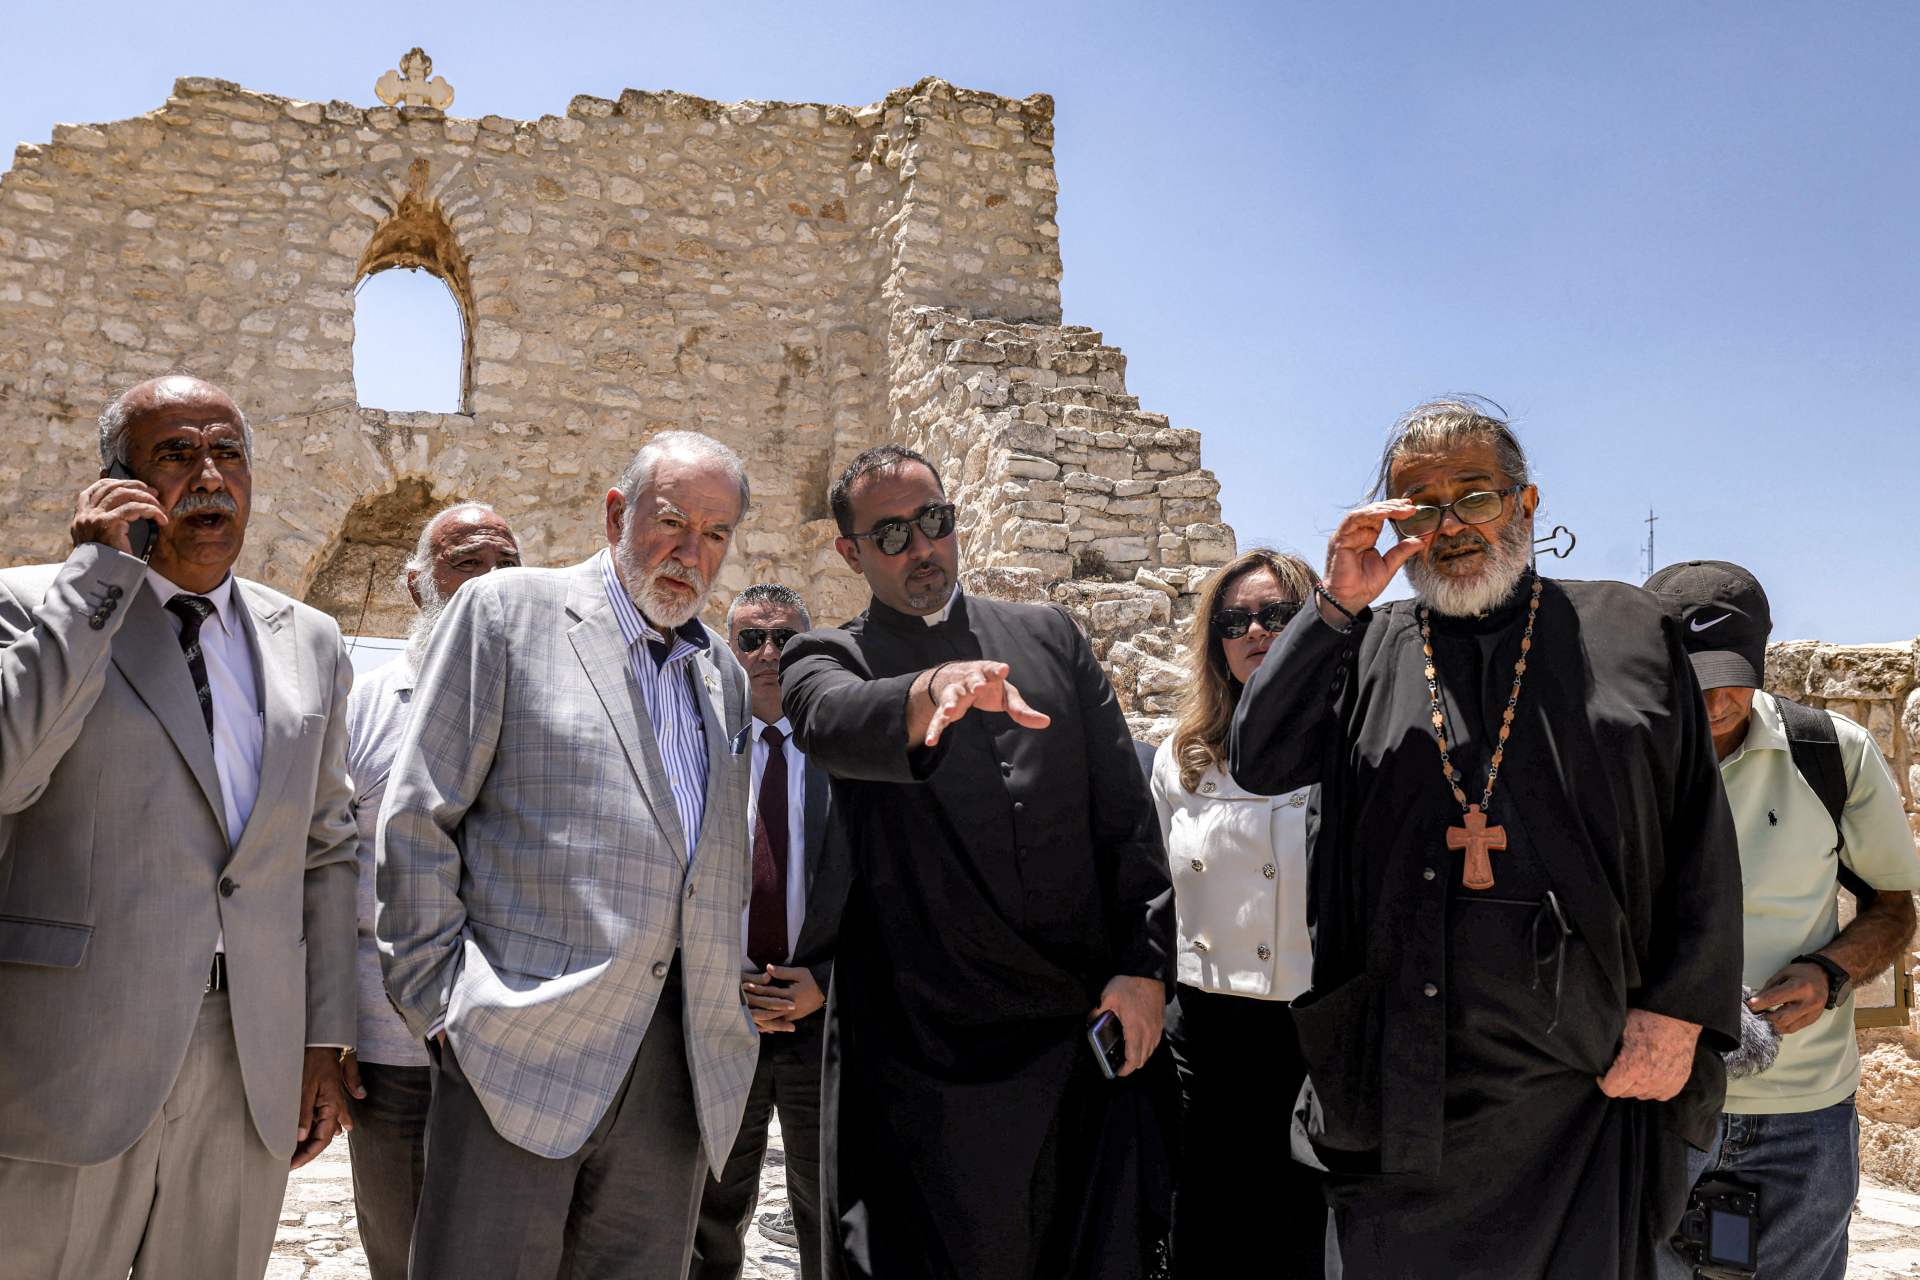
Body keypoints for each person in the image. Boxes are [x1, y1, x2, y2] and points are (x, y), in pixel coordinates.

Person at [1228, 398, 1743, 1279]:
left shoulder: (1627, 630)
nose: (1450, 523)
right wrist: (1338, 600)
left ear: (1528, 504)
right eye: (1418, 503)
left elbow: (1698, 830)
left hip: (1583, 1085)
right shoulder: (1367, 642)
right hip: (1401, 1087)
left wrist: (1681, 1013)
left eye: (1476, 494)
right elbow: (1260, 758)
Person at [780, 444, 1176, 1280]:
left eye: (934, 522)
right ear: (849, 553)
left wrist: (1145, 970)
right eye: (890, 534)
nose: (921, 547)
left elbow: (1126, 820)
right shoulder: (825, 656)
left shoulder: (1049, 635)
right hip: (930, 1061)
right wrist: (932, 692)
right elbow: (831, 720)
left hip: (1083, 1033)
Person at [0, 375, 358, 1279]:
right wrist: (96, 577)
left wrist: (324, 1035)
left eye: (228, 454)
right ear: (118, 482)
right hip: (72, 1053)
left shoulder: (309, 639)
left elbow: (324, 846)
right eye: (176, 454)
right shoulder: (34, 605)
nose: (209, 477)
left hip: (249, 1059)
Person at [378, 431, 759, 1278]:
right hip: (516, 1053)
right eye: (671, 523)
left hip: (673, 1080)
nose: (689, 553)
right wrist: (444, 1012)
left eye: (715, 534)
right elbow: (417, 820)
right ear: (618, 514)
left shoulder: (720, 676)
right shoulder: (508, 613)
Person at [1647, 560, 1920, 1280]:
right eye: (1689, 679)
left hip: (1804, 1119)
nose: (1712, 702)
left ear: (1763, 659)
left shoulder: (1831, 754)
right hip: (1652, 1107)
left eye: (1730, 676)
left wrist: (1831, 972)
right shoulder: (1613, 760)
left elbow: (1894, 909)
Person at [342, 501, 521, 1280]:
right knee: (401, 1246)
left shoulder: (549, 706)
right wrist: (324, 1029)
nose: (486, 586)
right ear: (419, 586)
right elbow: (322, 868)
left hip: (523, 1043)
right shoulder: (366, 706)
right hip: (389, 1047)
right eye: (466, 564)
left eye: (504, 568)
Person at [1151, 547, 1325, 1278]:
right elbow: (1156, 894)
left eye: (1278, 616)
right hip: (1206, 1038)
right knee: (1205, 1238)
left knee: (1301, 1242)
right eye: (1236, 620)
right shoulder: (1180, 757)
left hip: (1311, 1035)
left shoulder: (1349, 744)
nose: (1256, 631)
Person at [692, 583, 837, 1280]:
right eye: (753, 638)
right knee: (708, 1213)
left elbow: (888, 895)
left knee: (829, 1212)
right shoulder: (695, 754)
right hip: (722, 1022)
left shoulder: (849, 759)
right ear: (729, 649)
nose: (771, 652)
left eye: (789, 639)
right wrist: (721, 981)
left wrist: (827, 987)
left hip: (824, 1026)